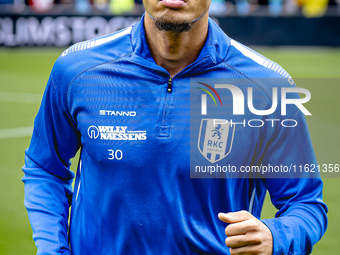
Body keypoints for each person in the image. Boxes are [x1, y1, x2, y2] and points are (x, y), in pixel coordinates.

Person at [22, 0, 328, 254]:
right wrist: (52, 248)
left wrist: (277, 236)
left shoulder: (265, 86)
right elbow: (44, 168)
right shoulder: (78, 70)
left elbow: (305, 204)